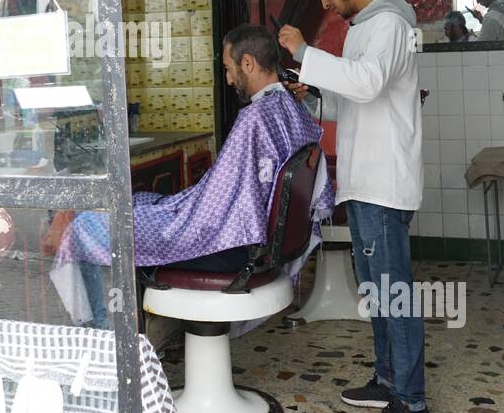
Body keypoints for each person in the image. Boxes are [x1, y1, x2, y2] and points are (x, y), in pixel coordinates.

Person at [52, 25, 333, 326]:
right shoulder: (291, 107)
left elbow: (211, 213)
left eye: (228, 68)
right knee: (141, 202)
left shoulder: (255, 119)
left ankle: (97, 335)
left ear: (248, 63)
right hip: (258, 243)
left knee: (83, 227)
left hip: (228, 248)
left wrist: (177, 212)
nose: (227, 79)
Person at [278, 0, 433, 413]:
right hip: (366, 180)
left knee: (395, 293)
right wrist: (316, 93)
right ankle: (389, 380)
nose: (325, 2)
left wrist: (305, 54)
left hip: (384, 181)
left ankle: (412, 406)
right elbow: (353, 100)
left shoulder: (388, 22)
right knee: (378, 291)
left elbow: (367, 85)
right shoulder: (365, 27)